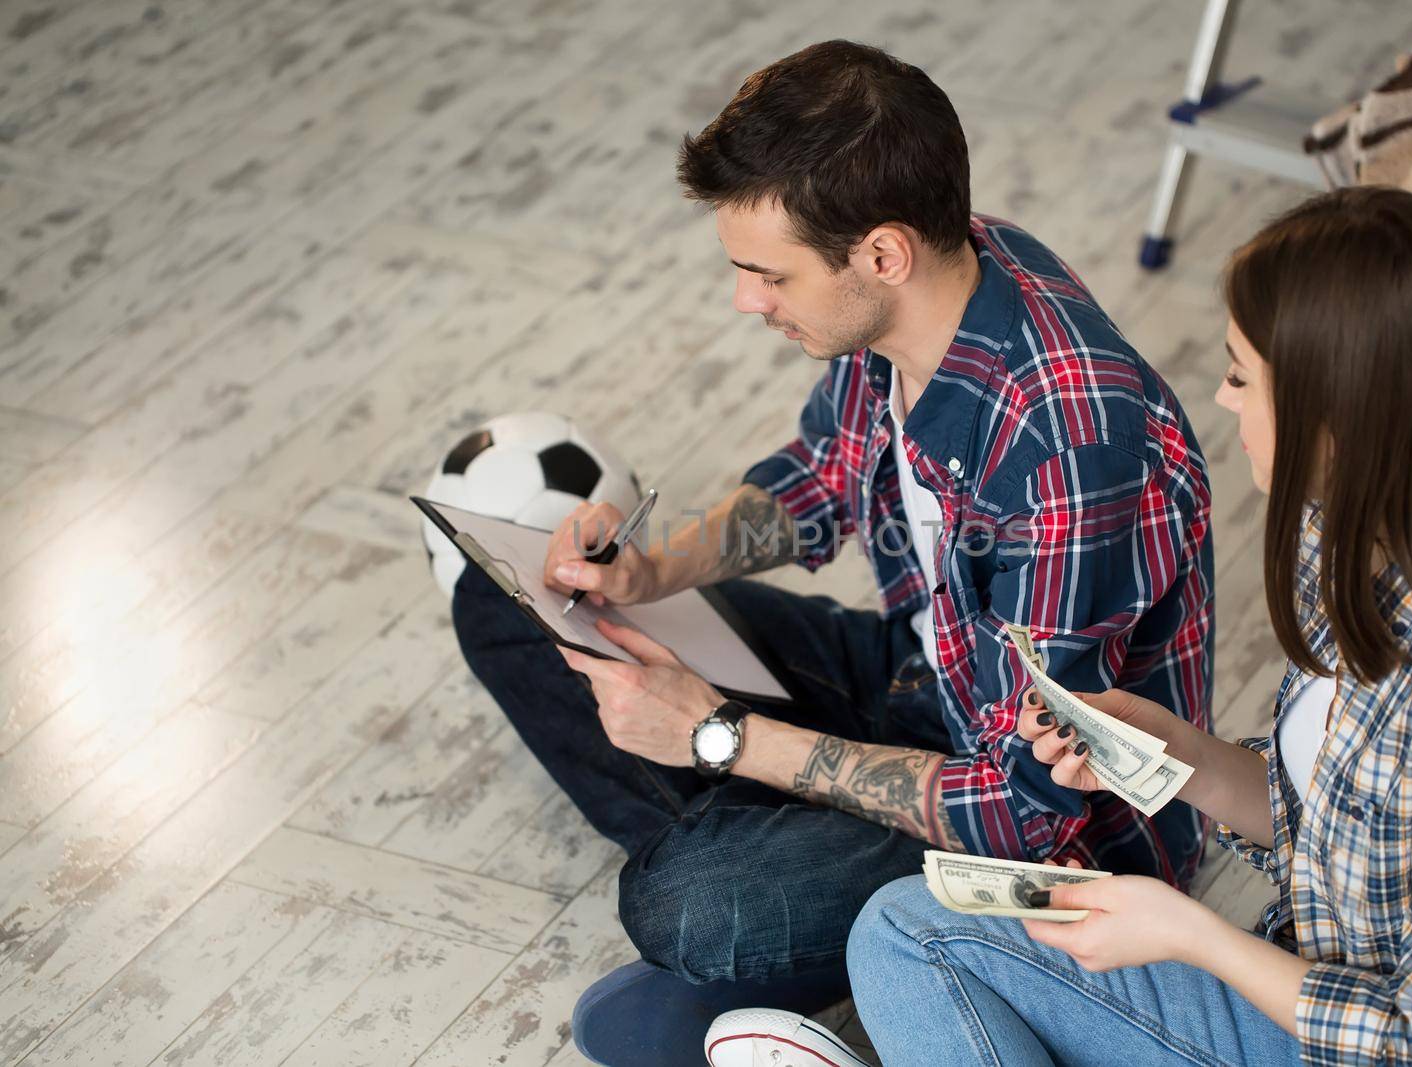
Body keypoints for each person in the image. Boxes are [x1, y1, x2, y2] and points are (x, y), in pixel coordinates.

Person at [449, 39, 1215, 1064]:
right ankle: (771, 907)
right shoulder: (946, 275)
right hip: (922, 673)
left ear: (881, 253)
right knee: (500, 598)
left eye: (769, 274)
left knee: (679, 903)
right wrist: (649, 570)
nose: (746, 300)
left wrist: (723, 737)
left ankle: (757, 896)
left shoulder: (1067, 452)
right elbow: (819, 472)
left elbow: (1029, 812)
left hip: (1042, 833)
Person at [833, 186, 1412, 1066]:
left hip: (1369, 1047)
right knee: (901, 927)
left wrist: (1195, 936)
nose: (1221, 399)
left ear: (1333, 418)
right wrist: (1178, 754)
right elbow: (1340, 821)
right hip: (1308, 983)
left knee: (910, 941)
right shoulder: (1346, 536)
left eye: (1240, 374)